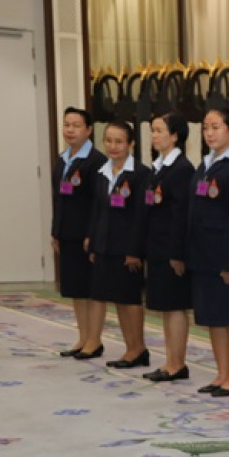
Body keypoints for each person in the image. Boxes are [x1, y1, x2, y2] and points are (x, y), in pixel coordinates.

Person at [187, 107, 229, 396]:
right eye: (206, 128)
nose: (209, 133)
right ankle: (223, 373)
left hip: (227, 257)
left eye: (216, 127)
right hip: (204, 255)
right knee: (213, 316)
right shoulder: (205, 165)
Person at [86, 120, 149, 368]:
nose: (113, 146)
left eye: (119, 141)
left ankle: (138, 349)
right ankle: (130, 348)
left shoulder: (140, 174)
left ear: (131, 144)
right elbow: (97, 210)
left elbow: (141, 216)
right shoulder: (102, 172)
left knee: (130, 300)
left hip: (127, 248)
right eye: (109, 141)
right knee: (116, 300)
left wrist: (135, 250)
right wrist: (94, 242)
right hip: (105, 245)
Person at [142, 112, 196, 382]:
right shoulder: (159, 167)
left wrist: (177, 253)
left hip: (171, 249)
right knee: (165, 306)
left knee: (175, 306)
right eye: (152, 130)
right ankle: (170, 360)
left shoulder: (182, 169)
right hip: (157, 247)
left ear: (175, 136)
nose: (154, 136)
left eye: (160, 131)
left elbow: (181, 215)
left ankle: (177, 364)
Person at [52, 106, 107, 359]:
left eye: (76, 125)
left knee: (91, 289)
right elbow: (59, 199)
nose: (70, 130)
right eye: (67, 125)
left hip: (86, 235)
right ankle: (83, 338)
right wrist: (56, 231)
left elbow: (99, 202)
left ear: (88, 130)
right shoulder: (63, 159)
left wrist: (92, 234)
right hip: (67, 233)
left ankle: (94, 341)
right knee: (75, 288)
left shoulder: (96, 161)